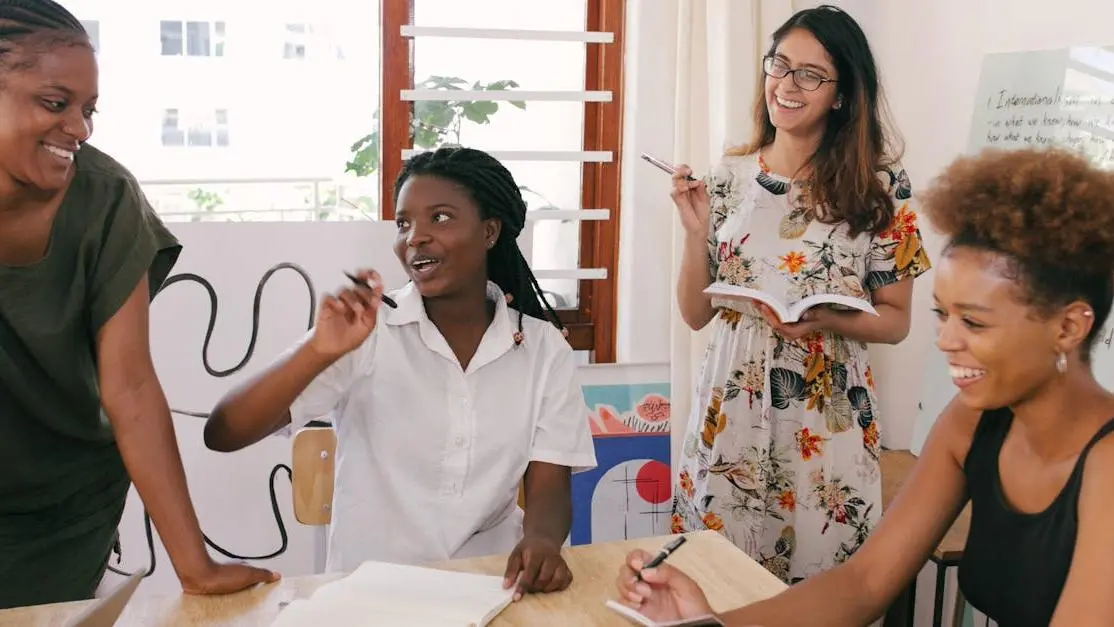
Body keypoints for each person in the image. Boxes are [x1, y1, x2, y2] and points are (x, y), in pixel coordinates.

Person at [615, 147, 1114, 626]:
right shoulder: (970, 425)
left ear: (1069, 328)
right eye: (943, 315)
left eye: (975, 323)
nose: (946, 340)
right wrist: (711, 621)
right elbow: (862, 584)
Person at [204, 146, 598, 599]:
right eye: (404, 223)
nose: (415, 237)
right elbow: (225, 431)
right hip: (369, 596)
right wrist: (317, 350)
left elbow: (549, 483)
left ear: (489, 231)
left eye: (441, 217)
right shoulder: (368, 332)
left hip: (492, 590)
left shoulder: (542, 348)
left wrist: (542, 541)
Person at [0, 0, 277, 610]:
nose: (79, 128)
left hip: (63, 509)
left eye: (88, 109)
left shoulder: (106, 201)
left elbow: (128, 387)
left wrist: (195, 567)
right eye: (54, 103)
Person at [668, 4, 930, 584]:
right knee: (715, 588)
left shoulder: (883, 187)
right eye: (779, 65)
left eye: (810, 73)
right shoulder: (726, 176)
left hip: (825, 420)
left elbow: (896, 322)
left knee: (820, 590)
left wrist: (823, 322)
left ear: (841, 94)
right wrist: (693, 233)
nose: (787, 85)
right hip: (728, 409)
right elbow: (693, 315)